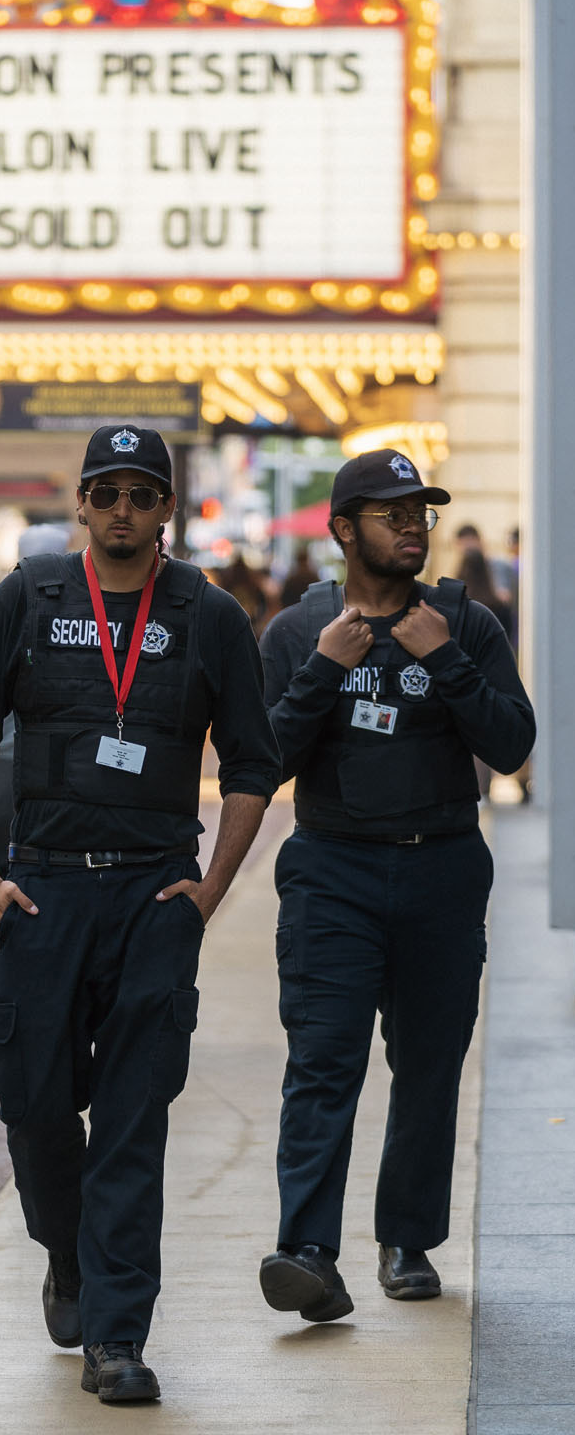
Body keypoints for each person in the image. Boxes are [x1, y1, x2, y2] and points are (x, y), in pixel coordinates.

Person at [0, 424, 280, 1405]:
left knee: (132, 1122)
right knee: (34, 1100)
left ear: (168, 506)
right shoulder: (29, 598)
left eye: (142, 492)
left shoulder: (206, 615)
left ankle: (118, 1339)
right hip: (43, 893)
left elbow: (254, 764)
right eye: (106, 491)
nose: (123, 508)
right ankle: (67, 1253)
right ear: (81, 502)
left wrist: (209, 891)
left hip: (153, 896)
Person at [256, 448, 535, 1324]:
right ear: (344, 530)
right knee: (323, 1060)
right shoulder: (298, 632)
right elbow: (264, 761)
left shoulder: (466, 622)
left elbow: (515, 744)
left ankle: (407, 1241)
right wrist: (323, 672)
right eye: (392, 514)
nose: (412, 527)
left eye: (420, 513)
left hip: (443, 867)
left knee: (427, 1064)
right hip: (331, 870)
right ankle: (307, 1250)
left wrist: (446, 660)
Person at [280, 543, 320, 609]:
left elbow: (284, 599)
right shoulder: (314, 578)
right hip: (311, 612)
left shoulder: (291, 579)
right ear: (307, 561)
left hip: (293, 612)